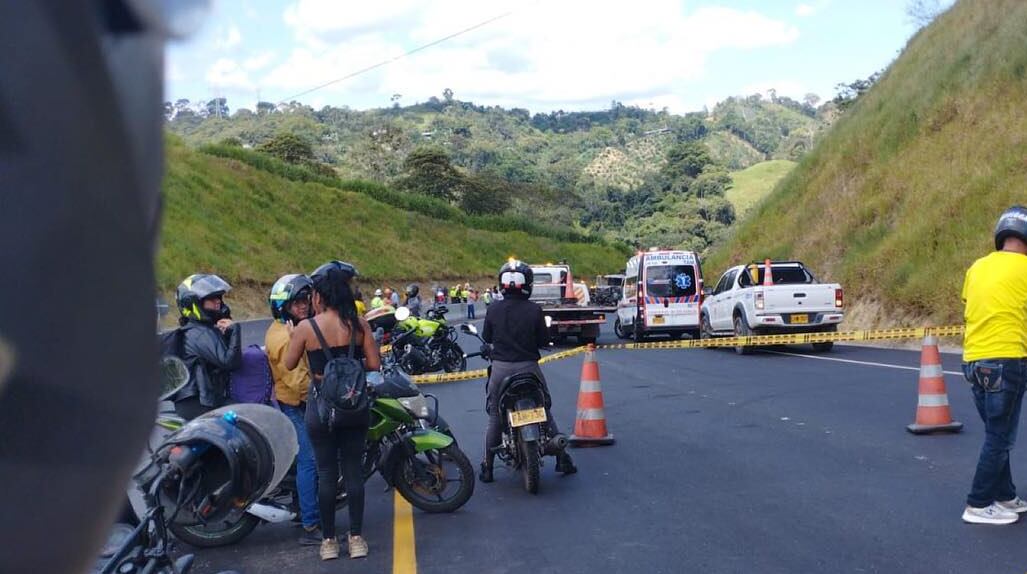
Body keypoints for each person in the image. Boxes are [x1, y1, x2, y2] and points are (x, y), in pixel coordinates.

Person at [285, 260, 380, 560]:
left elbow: (288, 364)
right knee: (353, 472)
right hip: (354, 404)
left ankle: (328, 542)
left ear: (319, 297)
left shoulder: (305, 328)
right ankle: (356, 539)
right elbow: (375, 365)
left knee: (326, 473)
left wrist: (295, 340)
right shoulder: (359, 325)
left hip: (321, 406)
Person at [479, 260, 576, 483]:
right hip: (529, 368)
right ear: (528, 284)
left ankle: (488, 467)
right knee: (545, 409)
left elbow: (487, 338)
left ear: (502, 284)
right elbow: (544, 340)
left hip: (501, 370)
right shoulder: (535, 310)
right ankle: (563, 458)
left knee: (495, 415)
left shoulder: (493, 308)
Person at [960, 206, 1027, 525]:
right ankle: (978, 502)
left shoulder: (976, 267)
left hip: (974, 360)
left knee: (995, 433)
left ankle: (1004, 495)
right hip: (1007, 358)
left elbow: (970, 305)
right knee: (1000, 437)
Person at [266, 274, 321, 545]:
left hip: (297, 401)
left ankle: (304, 510)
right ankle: (311, 524)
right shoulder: (284, 337)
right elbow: (299, 382)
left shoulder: (291, 328)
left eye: (305, 300)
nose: (304, 305)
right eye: (297, 302)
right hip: (296, 406)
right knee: (309, 461)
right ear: (283, 306)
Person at [173, 273, 242, 420]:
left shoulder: (200, 329)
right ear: (194, 302)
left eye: (219, 297)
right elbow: (230, 362)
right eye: (212, 298)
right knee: (241, 418)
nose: (218, 302)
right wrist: (235, 330)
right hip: (199, 404)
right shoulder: (200, 333)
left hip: (200, 400)